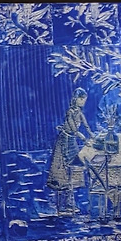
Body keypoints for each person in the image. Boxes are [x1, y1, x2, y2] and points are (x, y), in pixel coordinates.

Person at [48, 88, 90, 216]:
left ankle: (69, 203)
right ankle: (62, 206)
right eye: (81, 99)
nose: (83, 102)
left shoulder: (80, 112)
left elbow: (86, 126)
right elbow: (74, 130)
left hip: (72, 142)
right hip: (65, 141)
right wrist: (84, 139)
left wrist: (93, 136)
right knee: (63, 171)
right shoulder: (70, 112)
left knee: (74, 168)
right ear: (76, 99)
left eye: (84, 99)